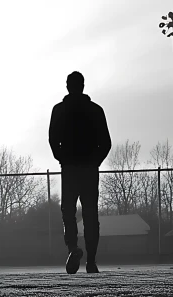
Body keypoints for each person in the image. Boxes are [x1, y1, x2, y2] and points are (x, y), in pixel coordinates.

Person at [48, 71, 111, 274]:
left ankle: (73, 248)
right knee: (90, 215)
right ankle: (91, 261)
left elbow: (52, 139)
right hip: (89, 169)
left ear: (68, 86)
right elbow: (106, 143)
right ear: (83, 86)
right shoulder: (95, 110)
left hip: (70, 168)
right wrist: (95, 162)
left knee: (68, 212)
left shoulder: (59, 110)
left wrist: (63, 159)